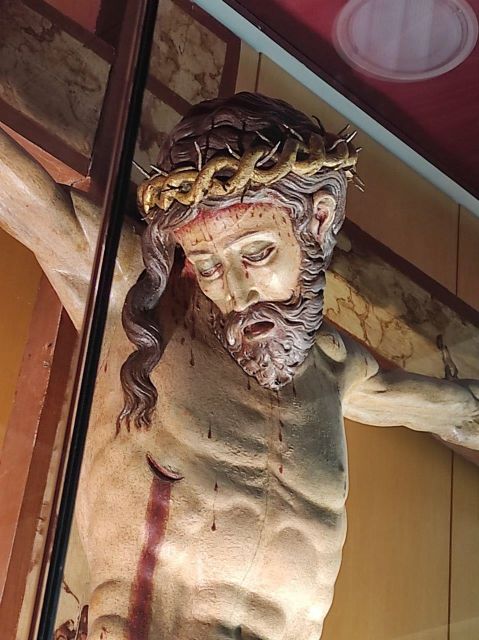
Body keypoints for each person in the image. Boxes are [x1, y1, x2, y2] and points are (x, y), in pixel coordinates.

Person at [1, 93, 478, 640]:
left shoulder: (335, 367)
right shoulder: (138, 298)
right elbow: (30, 205)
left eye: (256, 254)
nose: (236, 290)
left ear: (319, 220)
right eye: (208, 266)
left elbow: (456, 410)